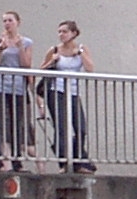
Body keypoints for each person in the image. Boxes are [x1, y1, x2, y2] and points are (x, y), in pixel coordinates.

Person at [40, 20, 96, 173]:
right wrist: (52, 61)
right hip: (56, 91)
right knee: (62, 128)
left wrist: (80, 53)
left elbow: (90, 68)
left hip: (73, 92)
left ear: (73, 33)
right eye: (59, 32)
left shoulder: (82, 49)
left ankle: (79, 160)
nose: (61, 35)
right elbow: (40, 70)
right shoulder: (54, 50)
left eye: (64, 31)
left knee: (81, 128)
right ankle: (64, 163)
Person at [0, 10, 35, 170]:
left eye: (10, 20)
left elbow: (26, 65)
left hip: (18, 88)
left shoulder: (27, 42)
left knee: (17, 123)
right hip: (0, 85)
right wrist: (1, 49)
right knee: (0, 123)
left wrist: (20, 47)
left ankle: (16, 160)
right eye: (4, 21)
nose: (7, 24)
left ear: (18, 22)